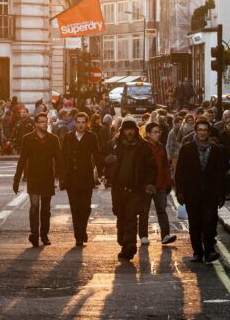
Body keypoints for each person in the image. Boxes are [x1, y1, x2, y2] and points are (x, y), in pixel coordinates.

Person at [175, 118, 228, 263]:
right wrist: (180, 191)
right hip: (192, 193)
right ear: (195, 132)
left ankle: (210, 250)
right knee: (195, 224)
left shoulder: (217, 150)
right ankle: (197, 252)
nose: (202, 133)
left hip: (211, 193)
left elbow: (221, 173)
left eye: (205, 130)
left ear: (209, 132)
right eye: (200, 130)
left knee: (210, 222)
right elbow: (180, 171)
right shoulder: (187, 148)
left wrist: (222, 194)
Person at [107, 115, 156, 261]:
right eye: (127, 130)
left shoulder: (144, 146)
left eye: (132, 130)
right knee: (120, 214)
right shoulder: (114, 144)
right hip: (118, 188)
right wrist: (106, 164)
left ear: (136, 131)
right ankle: (124, 243)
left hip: (135, 188)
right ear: (122, 131)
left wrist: (149, 183)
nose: (129, 133)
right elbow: (103, 158)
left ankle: (130, 243)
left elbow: (151, 167)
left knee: (131, 216)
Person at [13, 112, 63, 247]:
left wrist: (62, 178)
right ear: (35, 124)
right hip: (33, 177)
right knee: (34, 206)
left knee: (46, 209)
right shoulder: (28, 139)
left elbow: (59, 160)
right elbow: (22, 160)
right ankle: (34, 233)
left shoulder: (53, 139)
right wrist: (16, 180)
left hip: (47, 177)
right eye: (41, 122)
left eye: (45, 121)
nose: (44, 124)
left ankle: (44, 235)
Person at [61, 112, 102, 247]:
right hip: (71, 178)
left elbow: (96, 155)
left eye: (83, 122)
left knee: (85, 207)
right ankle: (79, 236)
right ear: (75, 123)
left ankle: (82, 230)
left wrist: (101, 174)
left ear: (87, 123)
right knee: (75, 208)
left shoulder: (91, 137)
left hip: (86, 177)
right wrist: (62, 176)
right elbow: (63, 157)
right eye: (78, 122)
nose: (80, 125)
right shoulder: (68, 137)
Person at [141, 122, 176, 246]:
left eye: (159, 132)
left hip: (160, 184)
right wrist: (144, 183)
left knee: (162, 210)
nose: (158, 134)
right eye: (155, 132)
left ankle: (165, 235)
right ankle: (143, 235)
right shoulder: (143, 147)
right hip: (147, 185)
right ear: (148, 134)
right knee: (144, 211)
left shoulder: (161, 147)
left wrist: (168, 182)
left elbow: (166, 166)